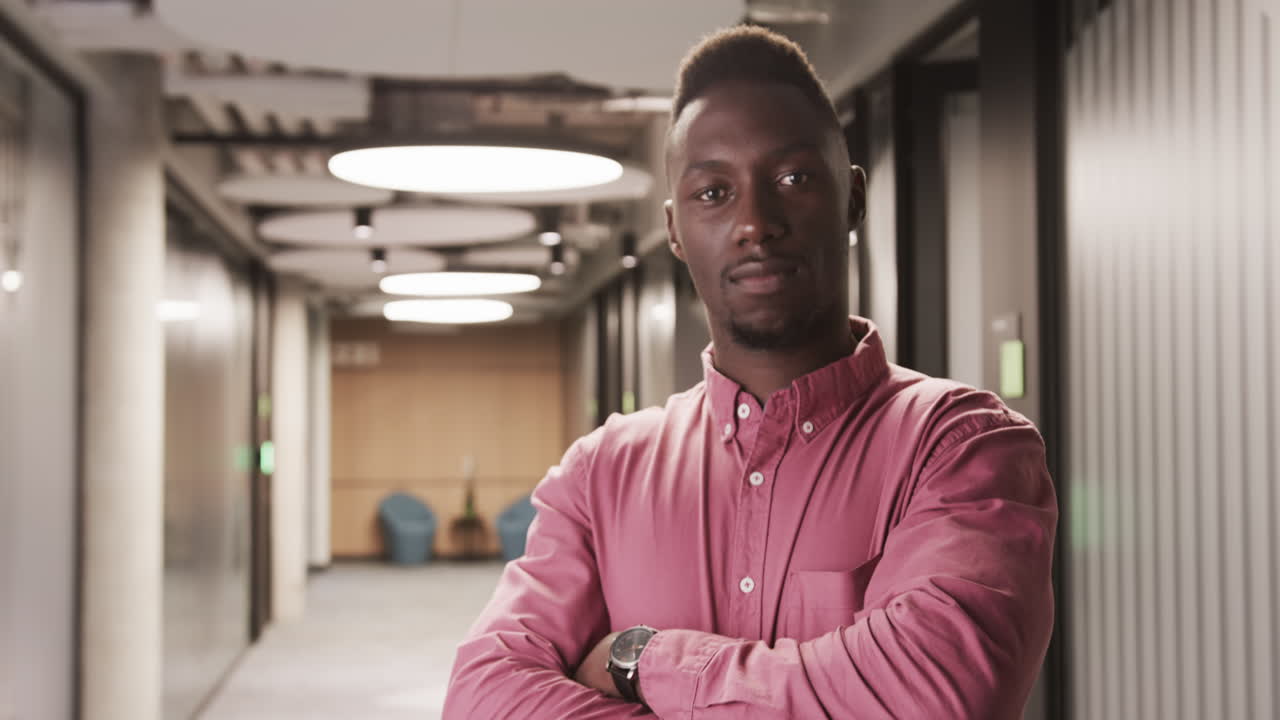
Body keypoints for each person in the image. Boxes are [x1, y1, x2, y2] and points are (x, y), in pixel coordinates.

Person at [444, 25, 1056, 719]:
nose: (755, 223)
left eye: (793, 179)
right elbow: (482, 695)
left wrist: (644, 658)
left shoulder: (962, 448)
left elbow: (935, 696)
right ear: (674, 231)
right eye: (713, 192)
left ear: (853, 198)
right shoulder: (600, 474)